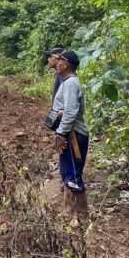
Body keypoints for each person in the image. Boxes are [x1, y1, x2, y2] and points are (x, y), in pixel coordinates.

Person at [52, 50, 90, 223]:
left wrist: (61, 133)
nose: (56, 63)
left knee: (72, 174)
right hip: (70, 133)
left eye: (59, 60)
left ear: (65, 64)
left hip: (73, 135)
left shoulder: (71, 84)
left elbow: (71, 111)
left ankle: (81, 217)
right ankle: (70, 214)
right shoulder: (69, 82)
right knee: (67, 173)